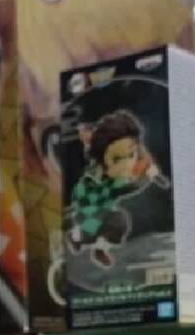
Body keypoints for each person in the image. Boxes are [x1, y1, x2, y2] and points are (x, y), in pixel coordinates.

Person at [64, 109, 169, 269]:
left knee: (120, 221)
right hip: (89, 212)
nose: (127, 164)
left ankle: (99, 249)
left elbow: (126, 185)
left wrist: (147, 174)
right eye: (118, 159)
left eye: (131, 155)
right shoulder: (95, 178)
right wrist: (146, 178)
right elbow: (124, 188)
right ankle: (76, 236)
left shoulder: (114, 177)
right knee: (94, 224)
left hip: (104, 212)